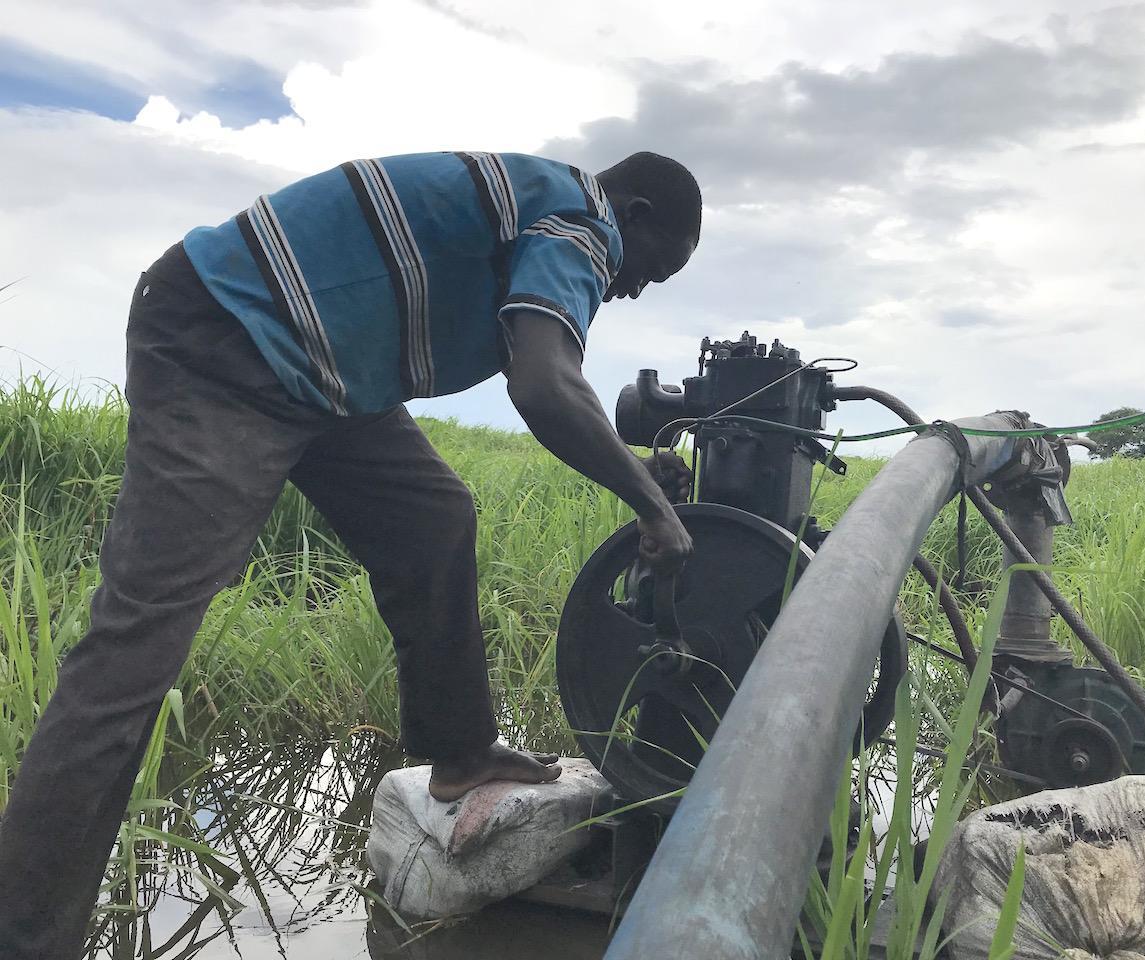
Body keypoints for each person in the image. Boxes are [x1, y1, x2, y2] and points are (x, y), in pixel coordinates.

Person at [0, 149, 700, 959]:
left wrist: (638, 470)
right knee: (134, 649)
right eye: (656, 267)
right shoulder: (580, 219)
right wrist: (651, 503)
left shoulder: (541, 206)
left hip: (322, 372)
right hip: (227, 336)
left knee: (432, 519)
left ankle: (462, 752)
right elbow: (544, 381)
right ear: (636, 213)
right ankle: (24, 936)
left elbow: (545, 374)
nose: (638, 286)